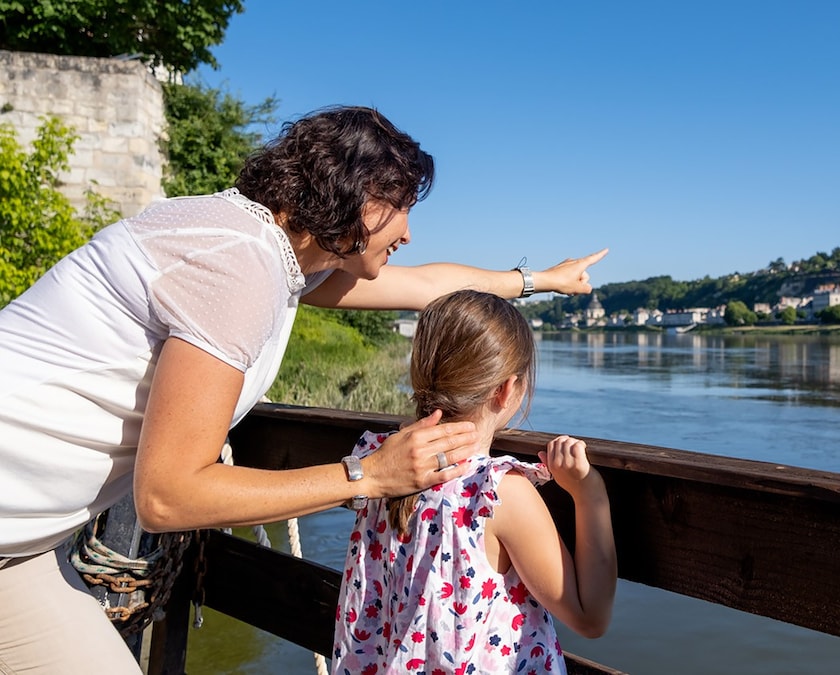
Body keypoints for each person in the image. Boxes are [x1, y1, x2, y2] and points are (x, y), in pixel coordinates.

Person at [0, 105, 608, 674]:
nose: (409, 232)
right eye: (401, 207)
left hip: (19, 544)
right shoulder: (237, 265)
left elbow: (426, 284)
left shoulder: (270, 254)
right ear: (359, 199)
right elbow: (165, 496)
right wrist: (367, 474)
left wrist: (538, 280)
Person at [333, 289, 617, 674]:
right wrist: (589, 493)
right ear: (505, 390)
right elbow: (590, 618)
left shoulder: (378, 461)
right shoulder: (497, 492)